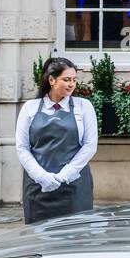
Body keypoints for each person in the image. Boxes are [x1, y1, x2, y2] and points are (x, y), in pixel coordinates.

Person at [15, 57, 98, 224]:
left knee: (75, 234)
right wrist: (41, 176)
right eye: (66, 79)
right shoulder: (30, 107)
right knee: (38, 237)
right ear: (51, 80)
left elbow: (90, 145)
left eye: (74, 80)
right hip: (38, 187)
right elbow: (22, 147)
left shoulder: (84, 106)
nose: (72, 84)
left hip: (74, 186)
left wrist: (64, 176)